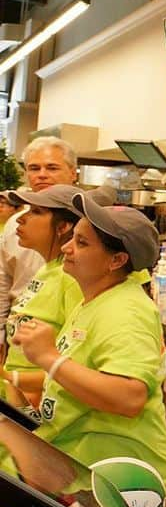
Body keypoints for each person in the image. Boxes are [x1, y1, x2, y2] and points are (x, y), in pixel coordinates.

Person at [13, 192, 166, 507]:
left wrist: (48, 357)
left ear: (116, 260)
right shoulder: (94, 300)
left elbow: (129, 397)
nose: (66, 249)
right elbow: (78, 378)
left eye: (82, 243)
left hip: (118, 478)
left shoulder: (126, 311)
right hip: (84, 467)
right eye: (72, 238)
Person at [0, 185, 88, 411]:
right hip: (19, 399)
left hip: (45, 406)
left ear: (63, 226)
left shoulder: (71, 279)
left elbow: (80, 367)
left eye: (36, 212)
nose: (21, 219)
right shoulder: (47, 269)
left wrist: (12, 378)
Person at [0, 137, 79, 350]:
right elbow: (4, 281)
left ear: (73, 172)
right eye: (34, 168)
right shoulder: (14, 225)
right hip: (19, 328)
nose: (42, 174)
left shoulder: (90, 225)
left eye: (52, 167)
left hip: (59, 340)